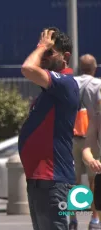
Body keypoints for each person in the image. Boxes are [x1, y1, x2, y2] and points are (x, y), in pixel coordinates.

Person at [18, 27, 79, 230]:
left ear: (66, 56)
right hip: (40, 181)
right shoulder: (49, 91)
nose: (43, 56)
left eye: (49, 52)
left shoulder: (67, 83)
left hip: (53, 182)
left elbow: (27, 68)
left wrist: (41, 45)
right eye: (42, 52)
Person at [71, 54, 101, 229]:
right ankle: (94, 218)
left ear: (80, 68)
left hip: (73, 136)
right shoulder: (98, 84)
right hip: (92, 137)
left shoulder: (72, 82)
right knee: (94, 181)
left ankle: (73, 218)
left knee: (73, 180)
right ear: (94, 68)